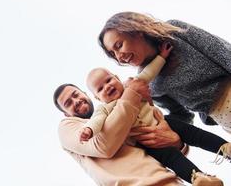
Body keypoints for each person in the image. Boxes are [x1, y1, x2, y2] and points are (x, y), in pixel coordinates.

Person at [82, 66, 230, 184]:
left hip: (164, 121)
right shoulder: (105, 109)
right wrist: (89, 130)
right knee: (172, 159)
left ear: (117, 77)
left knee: (195, 134)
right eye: (100, 89)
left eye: (108, 80)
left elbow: (148, 72)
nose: (107, 87)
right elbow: (96, 120)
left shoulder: (132, 85)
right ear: (97, 97)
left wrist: (161, 57)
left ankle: (225, 148)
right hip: (147, 141)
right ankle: (197, 177)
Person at [98, 11, 231, 134]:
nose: (119, 57)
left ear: (136, 31)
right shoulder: (147, 82)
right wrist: (159, 123)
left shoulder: (173, 31)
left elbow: (221, 52)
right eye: (113, 54)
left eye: (119, 46)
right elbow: (182, 116)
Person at [54, 80, 186, 186]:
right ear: (66, 114)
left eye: (76, 95)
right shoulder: (66, 126)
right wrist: (131, 94)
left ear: (85, 93)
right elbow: (103, 146)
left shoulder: (113, 115)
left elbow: (152, 144)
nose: (76, 101)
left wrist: (177, 142)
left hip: (169, 179)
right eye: (68, 103)